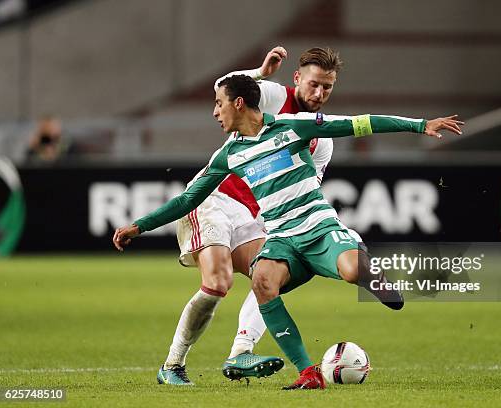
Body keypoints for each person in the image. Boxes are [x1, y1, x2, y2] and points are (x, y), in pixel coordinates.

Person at [113, 74, 463, 389]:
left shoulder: (294, 127)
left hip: (318, 227)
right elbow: (189, 198)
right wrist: (139, 226)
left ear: (238, 104)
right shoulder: (229, 155)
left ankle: (373, 275)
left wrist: (420, 125)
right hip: (281, 238)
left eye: (219, 104)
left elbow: (358, 124)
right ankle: (307, 372)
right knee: (262, 281)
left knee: (353, 270)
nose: (215, 112)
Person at [152, 46, 348, 385]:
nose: (318, 94)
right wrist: (260, 72)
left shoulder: (321, 139)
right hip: (213, 198)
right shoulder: (272, 96)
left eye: (327, 87)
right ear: (298, 78)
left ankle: (241, 352)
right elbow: (225, 85)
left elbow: (300, 190)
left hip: (250, 212)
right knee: (218, 282)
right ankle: (172, 365)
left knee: (269, 275)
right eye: (313, 84)